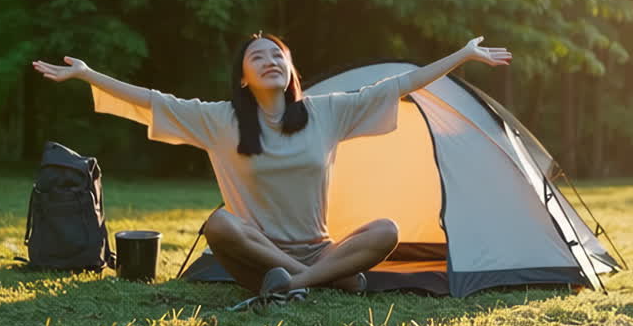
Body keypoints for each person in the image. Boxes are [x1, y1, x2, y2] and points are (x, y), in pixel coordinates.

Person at [31, 33, 511, 301]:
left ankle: (298, 283)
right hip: (256, 258)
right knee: (219, 222)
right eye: (256, 57)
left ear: (290, 69)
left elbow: (399, 85)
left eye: (277, 55)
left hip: (320, 250)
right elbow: (152, 101)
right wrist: (88, 74)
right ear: (243, 76)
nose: (268, 61)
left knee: (387, 228)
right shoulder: (220, 120)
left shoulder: (328, 111)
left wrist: (462, 56)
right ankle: (323, 280)